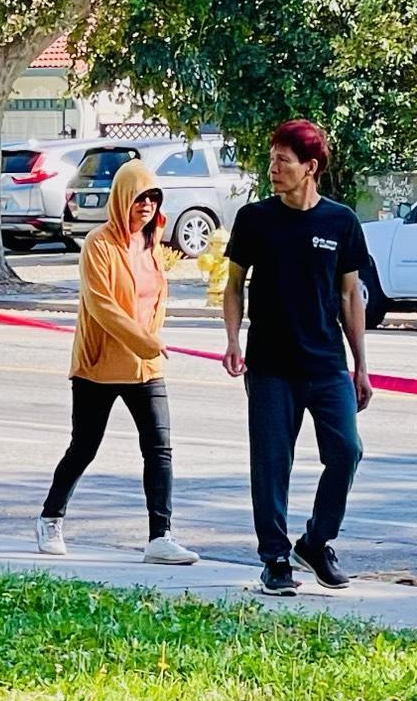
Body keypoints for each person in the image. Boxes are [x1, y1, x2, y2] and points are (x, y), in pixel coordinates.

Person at [222, 118, 372, 596]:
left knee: (347, 451)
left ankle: (316, 541)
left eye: (283, 162)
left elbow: (351, 297)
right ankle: (275, 559)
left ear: (310, 168)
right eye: (271, 160)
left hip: (326, 364)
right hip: (269, 365)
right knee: (271, 464)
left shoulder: (340, 221)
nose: (273, 169)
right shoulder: (255, 220)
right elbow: (233, 285)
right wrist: (231, 338)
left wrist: (360, 366)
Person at [36, 161, 198, 564]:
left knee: (159, 449)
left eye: (153, 197)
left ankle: (160, 536)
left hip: (145, 367)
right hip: (101, 365)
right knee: (84, 446)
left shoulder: (153, 248)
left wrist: (148, 344)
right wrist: (145, 340)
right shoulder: (98, 244)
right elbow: (102, 305)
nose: (146, 205)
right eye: (139, 196)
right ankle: (50, 517)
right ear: (123, 198)